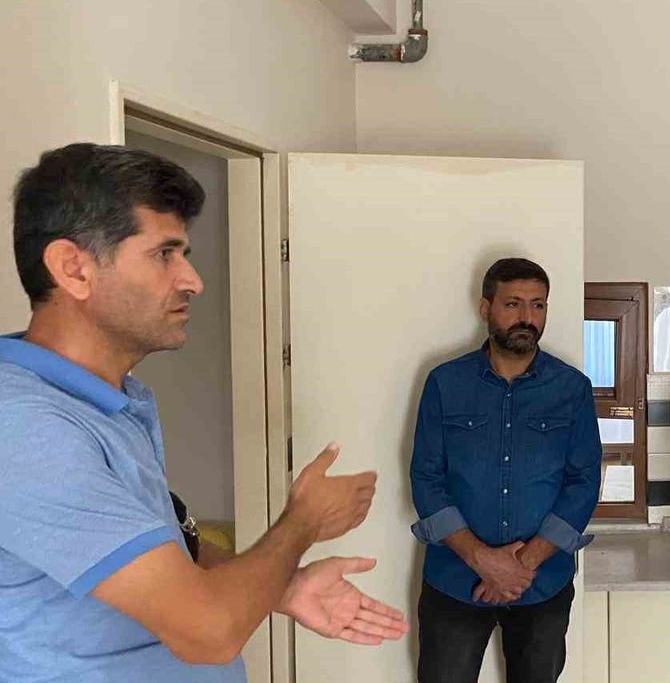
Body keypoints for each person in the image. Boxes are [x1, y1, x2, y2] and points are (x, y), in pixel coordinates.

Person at [0, 143, 408, 683]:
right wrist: (303, 521)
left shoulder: (107, 400)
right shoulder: (25, 427)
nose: (192, 280)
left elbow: (156, 560)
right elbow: (209, 632)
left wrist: (285, 587)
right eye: (163, 254)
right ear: (73, 268)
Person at [409, 257, 602, 683]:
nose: (527, 318)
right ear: (485, 308)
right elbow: (426, 478)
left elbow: (584, 484)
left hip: (542, 582)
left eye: (538, 305)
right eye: (513, 304)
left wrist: (522, 564)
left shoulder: (572, 389)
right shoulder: (445, 383)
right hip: (454, 580)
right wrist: (482, 559)